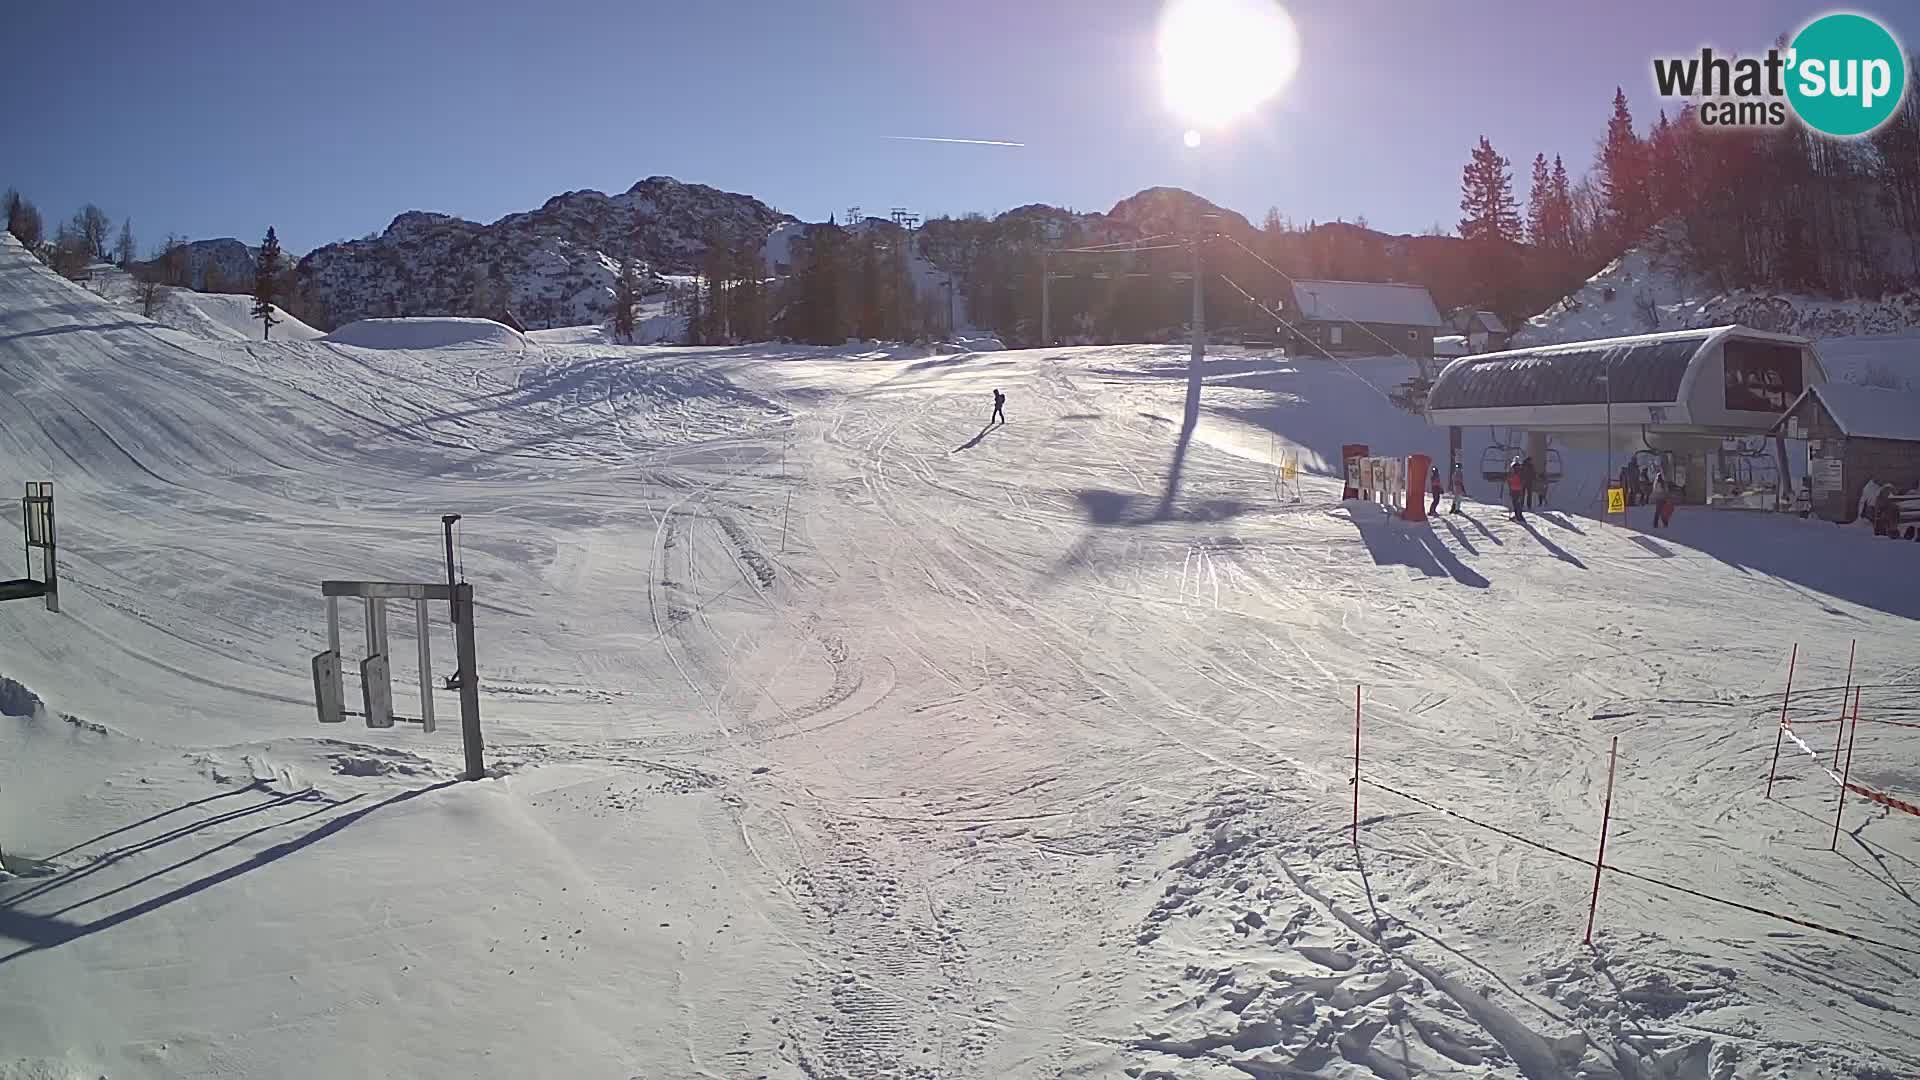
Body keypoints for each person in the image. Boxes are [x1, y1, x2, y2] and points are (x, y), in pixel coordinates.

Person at [1506, 456, 1526, 522]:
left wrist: (1509, 483)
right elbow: (1523, 479)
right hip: (1519, 488)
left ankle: (1517, 515)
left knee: (1515, 502)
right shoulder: (1521, 469)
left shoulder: (1512, 469)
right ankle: (1519, 515)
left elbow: (1509, 478)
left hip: (1513, 488)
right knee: (1518, 502)